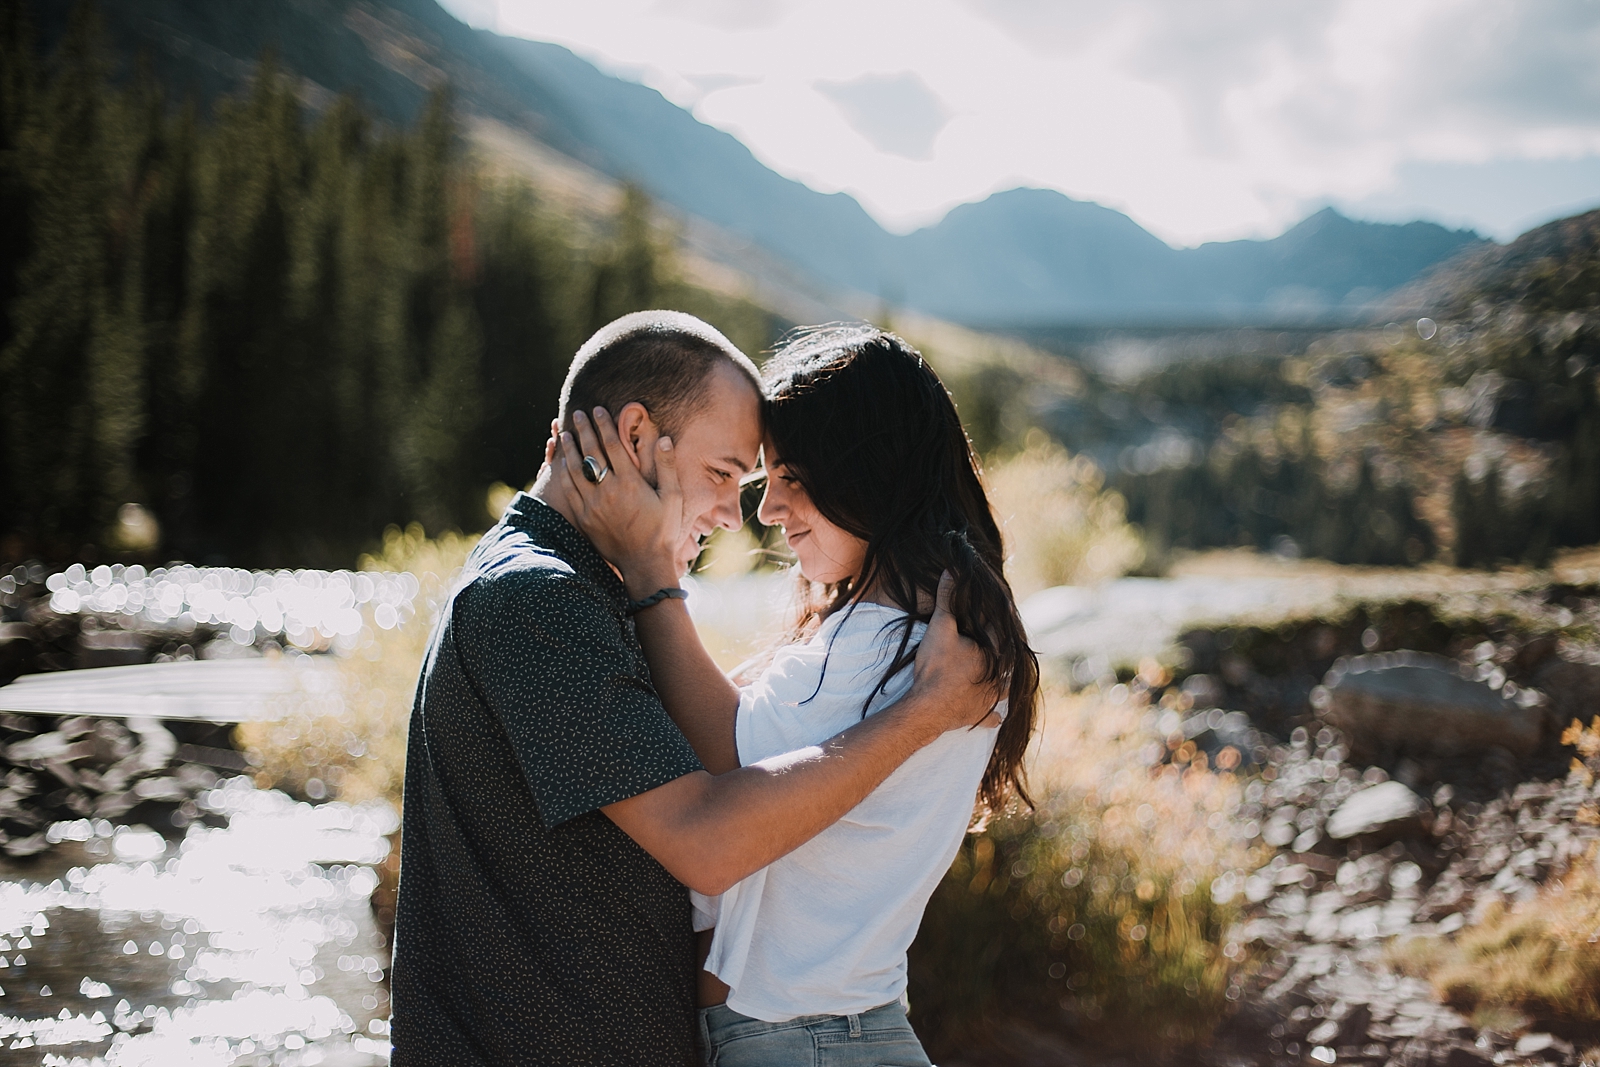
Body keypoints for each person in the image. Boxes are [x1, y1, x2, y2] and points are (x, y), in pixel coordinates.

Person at [389, 311, 999, 1067]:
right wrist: (925, 712)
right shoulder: (537, 600)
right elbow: (708, 840)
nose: (739, 517)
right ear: (636, 437)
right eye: (724, 475)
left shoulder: (580, 590)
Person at [552, 323, 1040, 1067]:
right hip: (857, 1023)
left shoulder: (877, 646)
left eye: (792, 476)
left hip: (795, 1039)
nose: (769, 509)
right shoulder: (942, 632)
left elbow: (720, 753)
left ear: (867, 472)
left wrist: (651, 570)